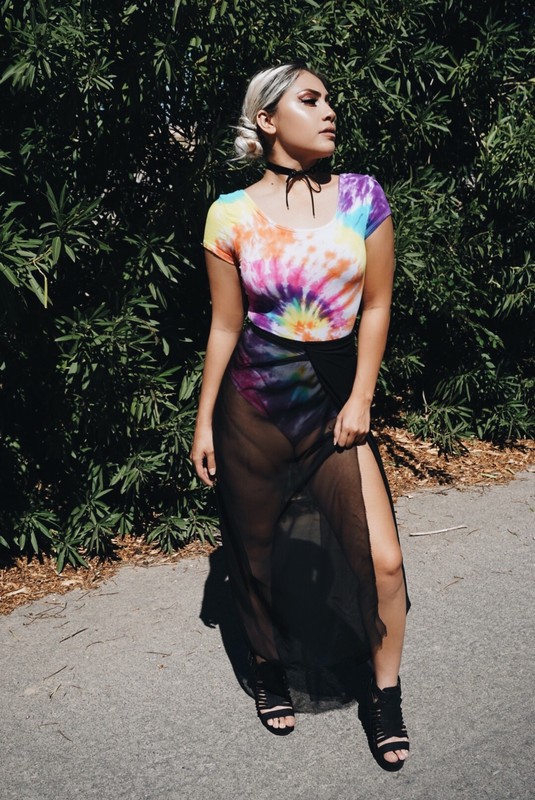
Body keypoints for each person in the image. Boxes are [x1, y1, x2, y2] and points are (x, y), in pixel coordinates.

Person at [190, 63, 410, 770]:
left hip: (334, 401)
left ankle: (384, 694)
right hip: (253, 404)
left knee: (383, 560)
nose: (328, 110)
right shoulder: (229, 213)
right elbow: (226, 324)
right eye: (309, 100)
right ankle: (269, 669)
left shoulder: (362, 196)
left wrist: (362, 397)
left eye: (329, 100)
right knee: (254, 555)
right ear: (266, 119)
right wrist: (202, 421)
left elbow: (376, 304)